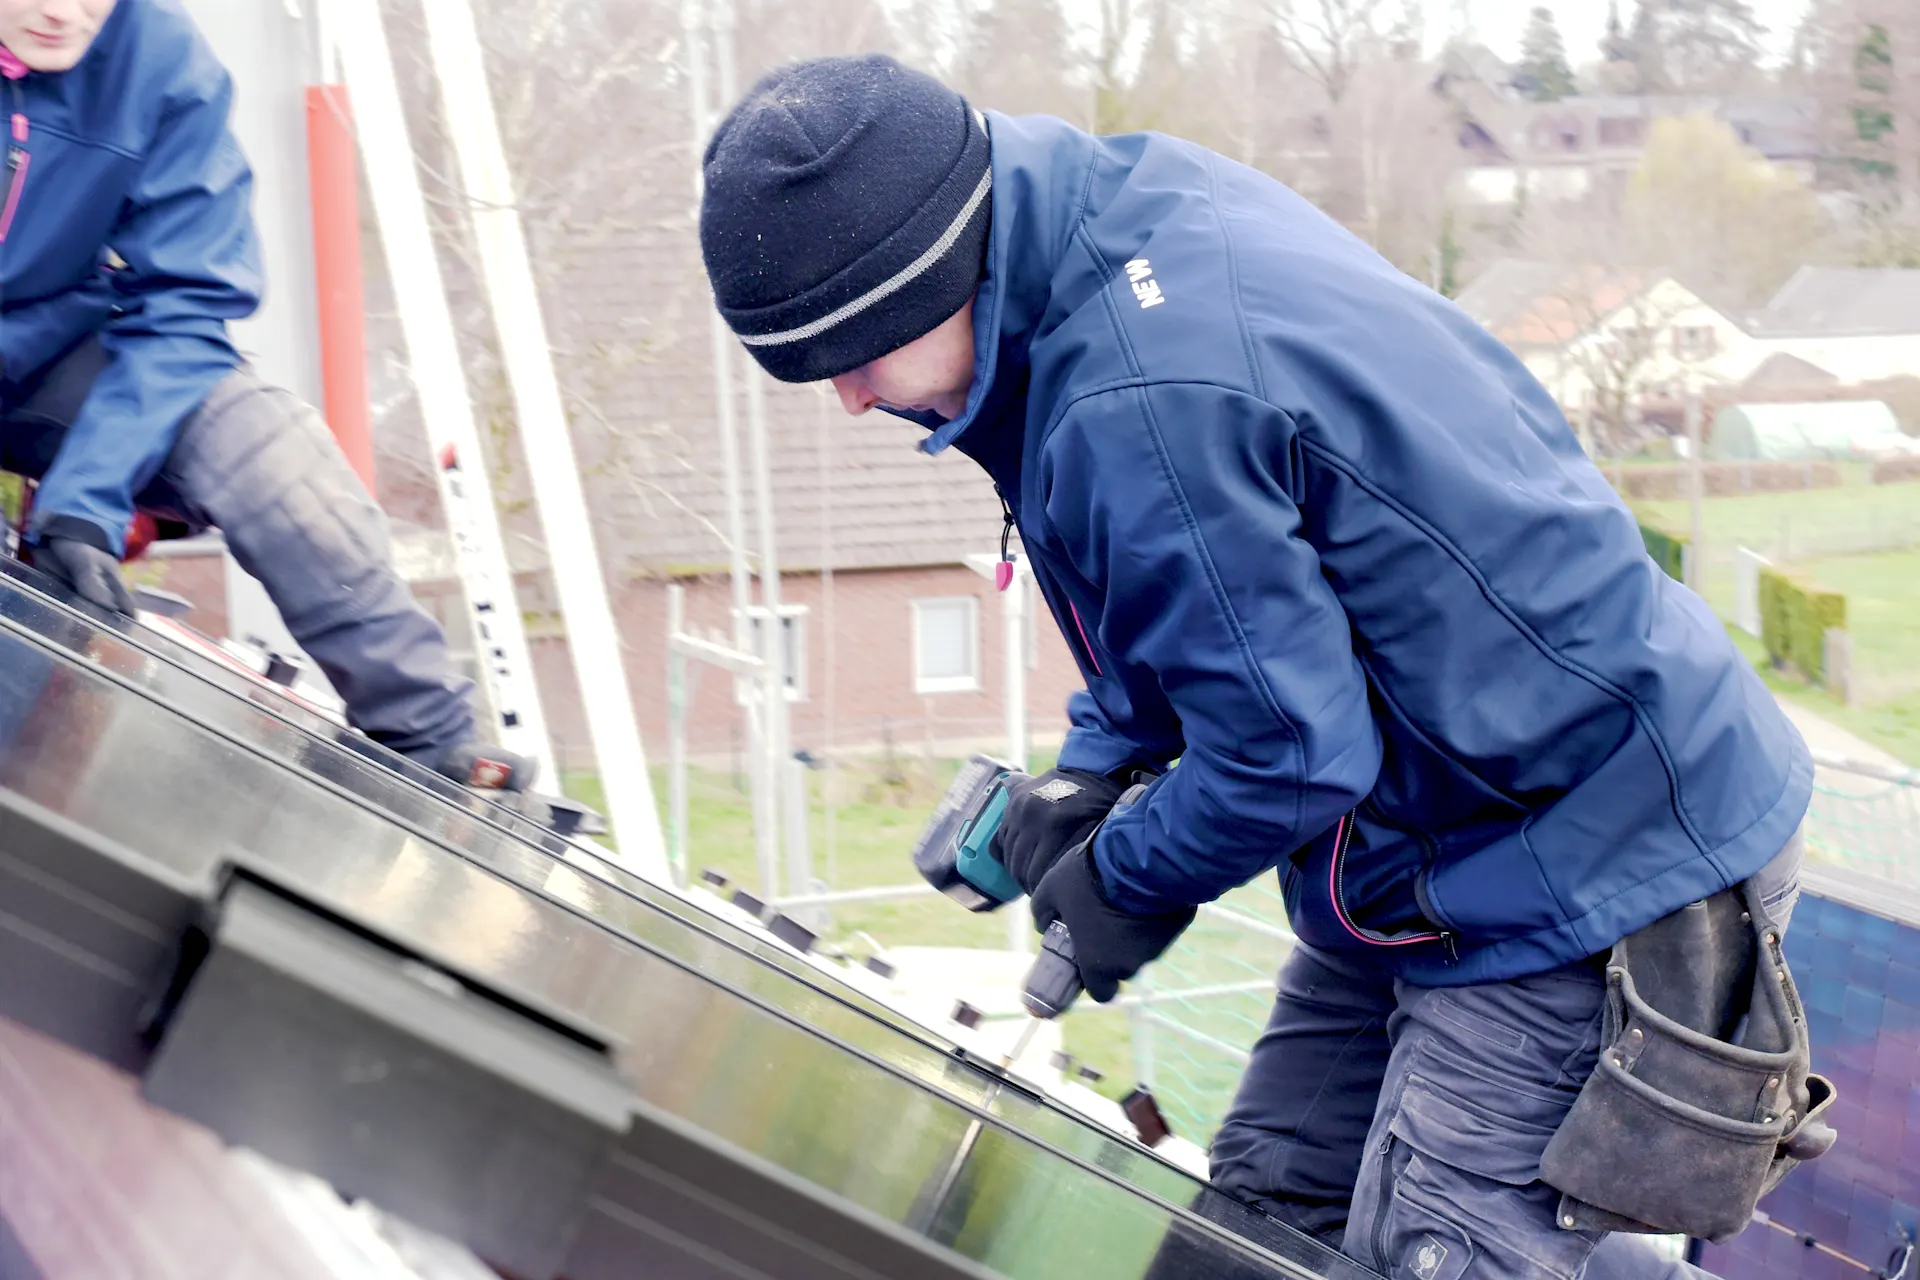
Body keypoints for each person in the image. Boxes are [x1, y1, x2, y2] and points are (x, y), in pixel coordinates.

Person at [699, 55, 1828, 1279]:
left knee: (1439, 1251)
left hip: (1591, 859)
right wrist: (1094, 782)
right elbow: (1188, 622)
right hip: (1429, 848)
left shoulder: (1140, 396)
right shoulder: (1084, 238)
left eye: (853, 355)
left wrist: (1124, 878)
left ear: (923, 272)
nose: (854, 401)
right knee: (1261, 1226)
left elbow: (1289, 755)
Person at [0, 0, 532, 791]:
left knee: (269, 449)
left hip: (50, 348)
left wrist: (86, 500)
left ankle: (422, 738)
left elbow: (184, 303)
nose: (59, 10)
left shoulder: (162, 60)